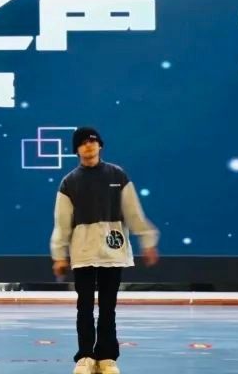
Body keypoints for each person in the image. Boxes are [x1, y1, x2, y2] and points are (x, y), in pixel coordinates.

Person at [50, 127, 159, 374]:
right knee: (85, 307)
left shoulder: (117, 175)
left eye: (93, 141)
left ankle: (107, 357)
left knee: (108, 307)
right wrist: (59, 255)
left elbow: (133, 212)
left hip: (113, 251)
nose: (88, 145)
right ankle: (85, 356)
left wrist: (147, 240)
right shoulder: (69, 182)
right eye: (82, 143)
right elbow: (62, 223)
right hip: (83, 252)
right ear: (76, 150)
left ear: (100, 145)